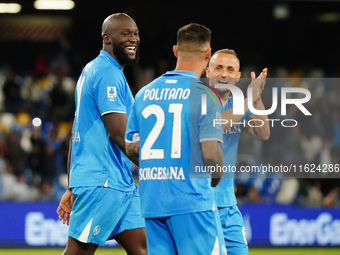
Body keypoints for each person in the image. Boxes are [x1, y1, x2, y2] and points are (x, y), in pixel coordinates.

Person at [125, 23, 226, 255]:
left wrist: (158, 166)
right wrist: (216, 177)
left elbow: (131, 147)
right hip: (192, 202)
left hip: (152, 202)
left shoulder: (143, 94)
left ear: (175, 51)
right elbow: (211, 153)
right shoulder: (205, 95)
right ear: (209, 54)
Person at [56, 13, 146, 255]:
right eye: (125, 34)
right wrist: (158, 167)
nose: (133, 39)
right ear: (107, 38)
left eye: (135, 33)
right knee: (78, 252)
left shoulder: (94, 70)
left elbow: (78, 133)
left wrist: (71, 186)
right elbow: (119, 134)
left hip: (119, 184)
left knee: (145, 249)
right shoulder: (108, 74)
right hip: (102, 183)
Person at [205, 48, 270, 255]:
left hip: (228, 202)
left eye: (230, 69)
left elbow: (263, 133)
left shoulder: (237, 104)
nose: (224, 74)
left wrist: (256, 97)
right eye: (219, 68)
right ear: (208, 72)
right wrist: (249, 101)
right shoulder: (198, 99)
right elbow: (216, 123)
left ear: (237, 76)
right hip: (202, 203)